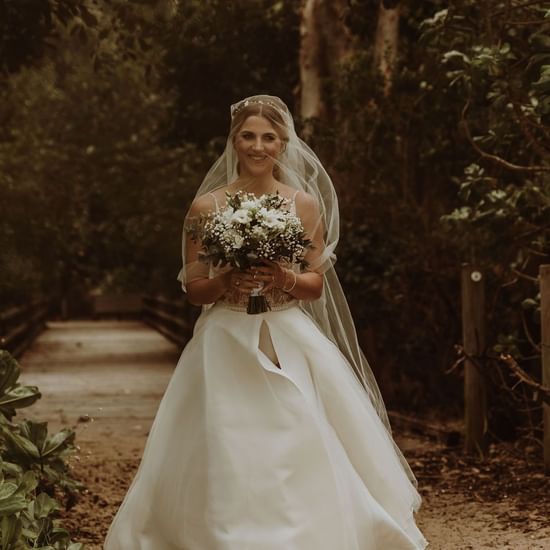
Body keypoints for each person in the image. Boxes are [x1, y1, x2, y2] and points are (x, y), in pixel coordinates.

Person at [104, 95, 428, 549]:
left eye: (268, 138)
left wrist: (284, 277)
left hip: (285, 330)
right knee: (225, 440)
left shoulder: (304, 205)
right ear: (234, 142)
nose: (258, 146)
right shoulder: (205, 208)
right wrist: (227, 280)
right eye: (248, 137)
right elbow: (195, 289)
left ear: (283, 144)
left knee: (296, 432)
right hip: (225, 335)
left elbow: (315, 283)